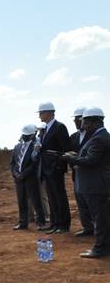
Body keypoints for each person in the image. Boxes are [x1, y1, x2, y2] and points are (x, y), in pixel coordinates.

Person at [61, 108, 110, 258]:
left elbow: (91, 161)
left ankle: (100, 249)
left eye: (86, 122)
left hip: (96, 185)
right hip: (96, 184)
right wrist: (77, 156)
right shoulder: (98, 136)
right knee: (102, 217)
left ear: (95, 122)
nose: (83, 125)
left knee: (100, 218)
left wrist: (71, 158)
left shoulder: (99, 138)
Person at [37, 102, 71, 234]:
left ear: (50, 113)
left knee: (59, 196)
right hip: (45, 167)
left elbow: (65, 149)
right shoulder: (44, 129)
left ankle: (63, 224)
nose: (40, 115)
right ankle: (54, 223)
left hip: (55, 168)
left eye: (41, 113)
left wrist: (59, 166)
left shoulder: (59, 127)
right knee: (51, 197)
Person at [11, 125, 46, 230]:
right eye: (23, 135)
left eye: (26, 135)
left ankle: (41, 223)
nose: (24, 137)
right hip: (19, 179)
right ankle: (23, 222)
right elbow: (13, 163)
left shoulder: (36, 147)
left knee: (36, 201)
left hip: (30, 178)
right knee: (21, 201)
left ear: (32, 136)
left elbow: (34, 164)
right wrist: (15, 173)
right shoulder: (17, 147)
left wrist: (23, 174)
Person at [69, 108, 93, 237]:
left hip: (90, 174)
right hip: (76, 173)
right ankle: (87, 227)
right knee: (80, 201)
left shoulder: (93, 136)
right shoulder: (74, 137)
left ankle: (97, 227)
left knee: (91, 202)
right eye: (75, 119)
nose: (75, 121)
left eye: (78, 119)